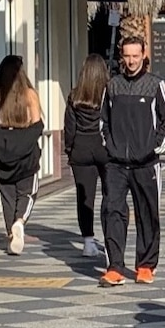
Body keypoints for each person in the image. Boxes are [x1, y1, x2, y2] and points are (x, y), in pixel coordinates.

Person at [99, 36, 165, 287]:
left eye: (135, 56)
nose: (131, 61)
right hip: (116, 164)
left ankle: (145, 266)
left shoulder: (155, 85)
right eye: (127, 56)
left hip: (147, 164)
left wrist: (154, 149)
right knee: (113, 212)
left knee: (148, 214)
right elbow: (103, 121)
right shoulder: (113, 85)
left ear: (143, 55)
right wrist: (110, 146)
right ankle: (115, 267)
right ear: (122, 56)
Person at [0, 55, 44, 256]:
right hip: (26, 154)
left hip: (2, 156)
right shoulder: (29, 95)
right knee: (27, 192)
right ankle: (19, 223)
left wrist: (2, 146)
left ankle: (11, 235)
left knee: (7, 195)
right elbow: (37, 125)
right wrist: (23, 143)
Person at [65, 54, 111, 257]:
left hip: (81, 148)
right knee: (111, 195)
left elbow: (69, 128)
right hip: (104, 147)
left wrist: (70, 150)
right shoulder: (109, 93)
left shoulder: (75, 95)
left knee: (85, 197)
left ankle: (88, 242)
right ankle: (111, 238)